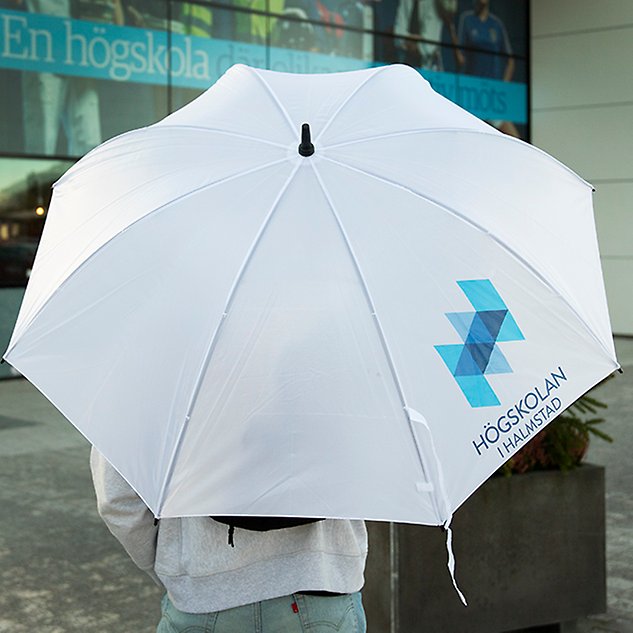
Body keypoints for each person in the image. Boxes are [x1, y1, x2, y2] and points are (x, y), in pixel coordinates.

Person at [90, 447, 368, 632]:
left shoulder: (157, 366)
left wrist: (173, 568)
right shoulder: (354, 363)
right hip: (322, 587)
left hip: (202, 596)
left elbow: (118, 499)